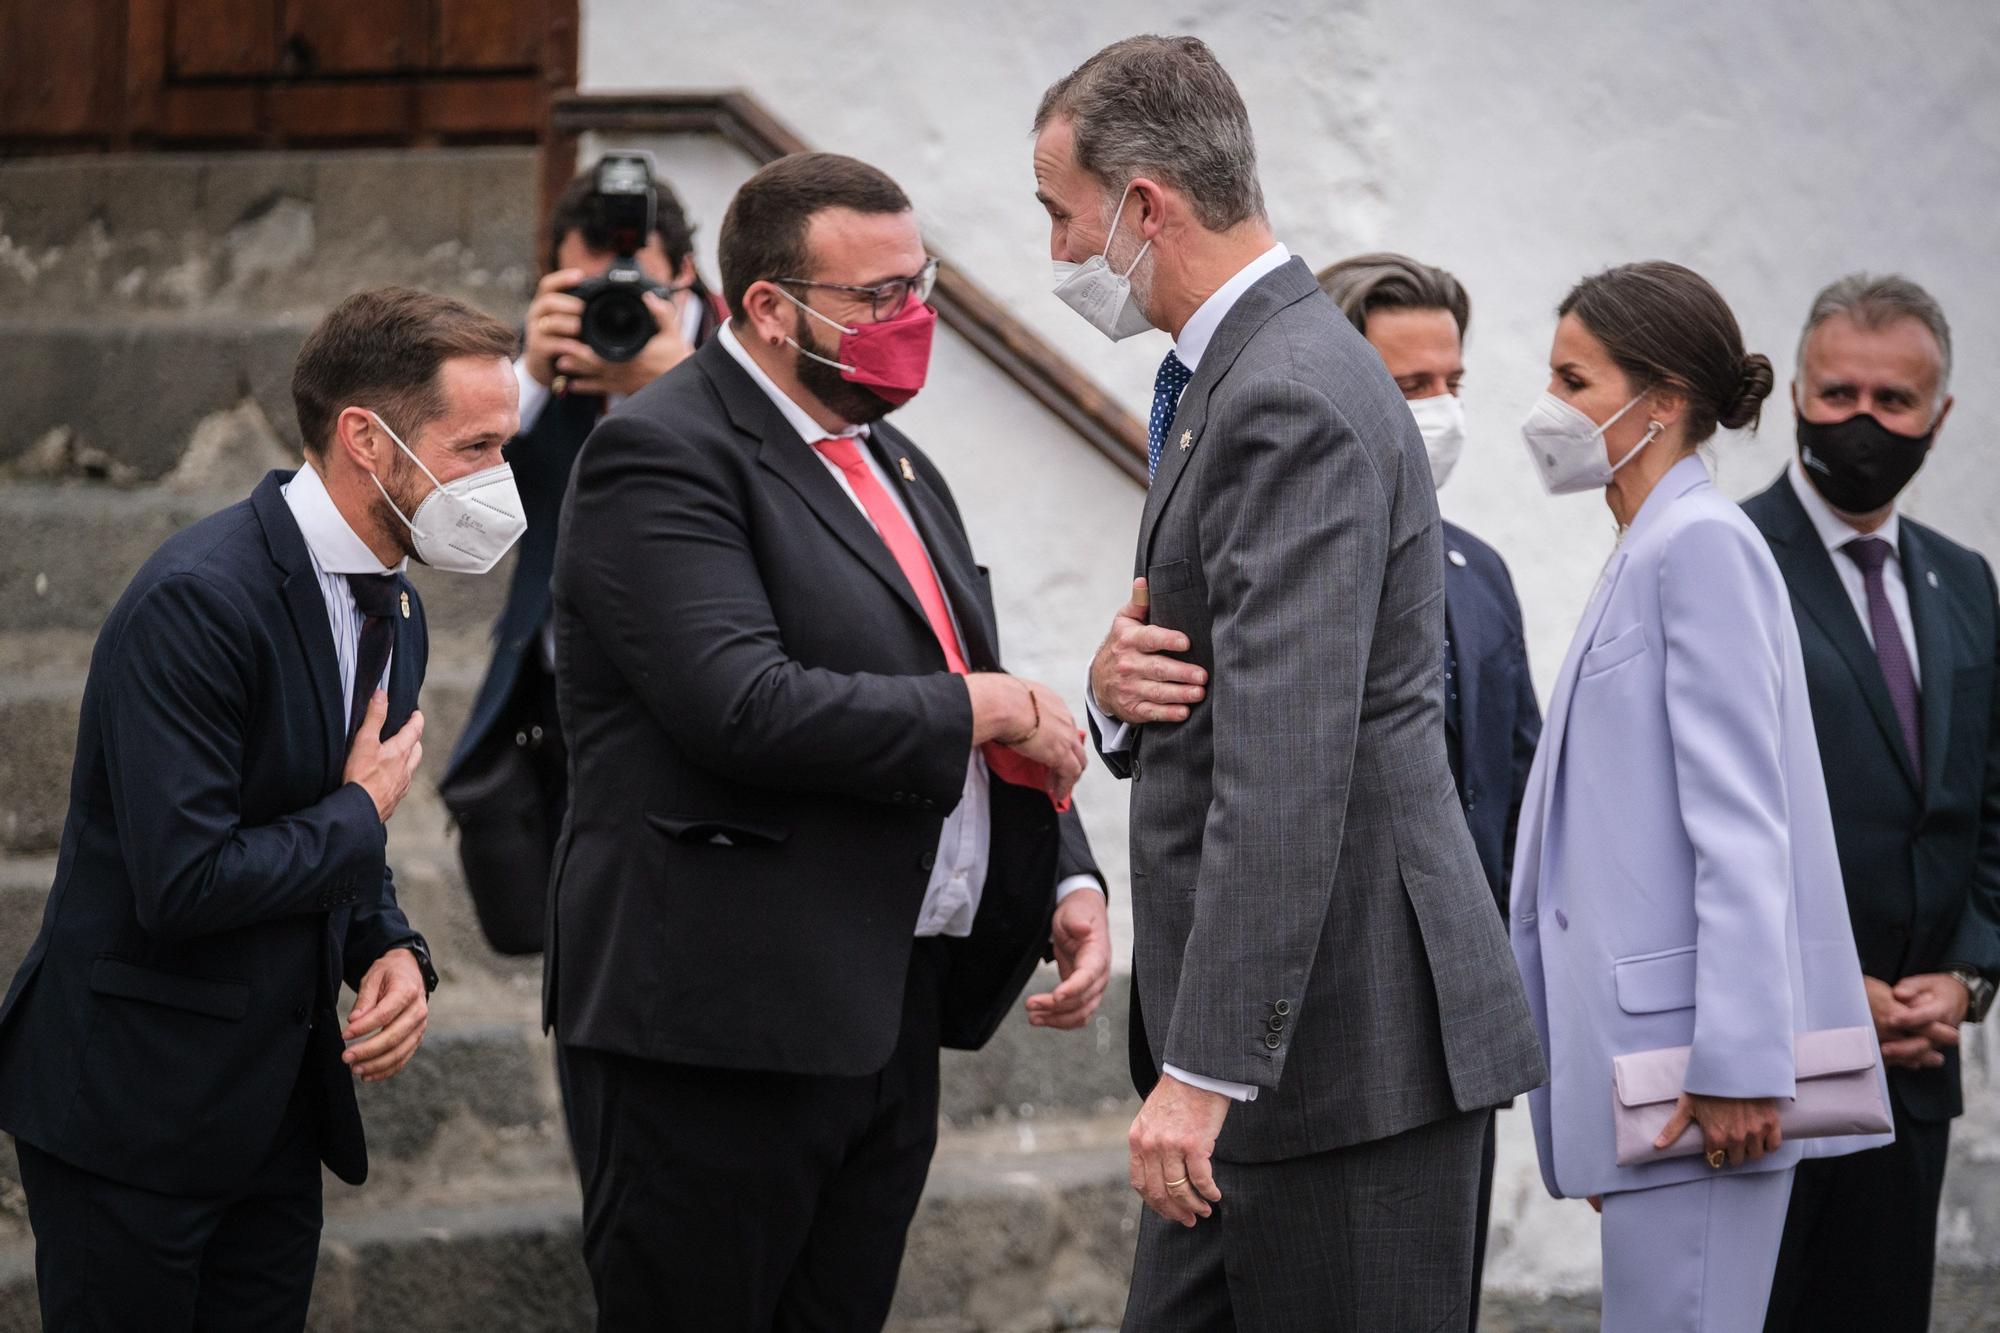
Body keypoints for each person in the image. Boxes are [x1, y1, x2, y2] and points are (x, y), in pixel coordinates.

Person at [545, 151, 1112, 1331]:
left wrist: (1058, 870)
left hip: (880, 1001)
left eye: (922, 286)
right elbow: (740, 702)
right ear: (766, 305)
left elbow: (955, 686)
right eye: (877, 296)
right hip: (719, 1021)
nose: (912, 320)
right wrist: (987, 705)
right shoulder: (663, 450)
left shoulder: (896, 461)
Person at [1035, 36, 1544, 1331]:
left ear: (1144, 204)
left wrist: (1205, 1070)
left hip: (1345, 1052)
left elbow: (1288, 763)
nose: (1057, 255)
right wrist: (1109, 698)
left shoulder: (1287, 393)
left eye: (1061, 214)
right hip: (1289, 1048)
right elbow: (1208, 687)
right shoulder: (1235, 375)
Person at [0, 286, 523, 1329]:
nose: (500, 483)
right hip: (136, 1109)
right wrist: (364, 810)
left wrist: (389, 948)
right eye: (475, 448)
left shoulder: (396, 600)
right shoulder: (199, 599)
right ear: (366, 440)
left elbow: (332, 825)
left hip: (273, 1110)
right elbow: (186, 879)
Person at [1507, 261, 1885, 1332]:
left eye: (1572, 380)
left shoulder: (1699, 546)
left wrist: (1734, 1063)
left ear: (1660, 401)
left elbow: (1740, 828)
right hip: (1650, 1081)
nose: (1549, 409)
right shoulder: (1649, 545)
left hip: (1698, 1087)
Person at [1749, 274, 2000, 1333]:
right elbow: (1694, 818)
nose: (1861, 421)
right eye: (1837, 392)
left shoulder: (1961, 577)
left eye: (1892, 402)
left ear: (1937, 417)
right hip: (1767, 1067)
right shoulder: (1728, 560)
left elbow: (1983, 798)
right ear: (1796, 390)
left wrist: (1966, 976)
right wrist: (1817, 981)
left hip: (1913, 1063)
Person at [1318, 252, 1543, 1328]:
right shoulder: (1270, 551)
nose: (1438, 410)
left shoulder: (1479, 570)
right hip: (1325, 1029)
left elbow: (1526, 784)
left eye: (1450, 381)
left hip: (1462, 1026)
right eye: (1409, 387)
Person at [441, 162, 724, 955]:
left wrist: (678, 383)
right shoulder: (539, 363)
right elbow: (459, 518)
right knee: (582, 951)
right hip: (567, 709)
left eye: (638, 288)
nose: (614, 309)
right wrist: (525, 372)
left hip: (709, 700)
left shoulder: (738, 352)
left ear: (688, 275)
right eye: (587, 285)